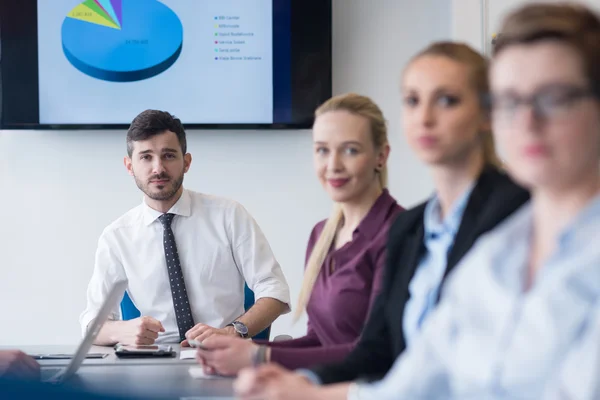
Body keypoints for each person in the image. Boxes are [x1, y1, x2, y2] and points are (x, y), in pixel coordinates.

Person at [234, 2, 600, 399]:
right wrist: (298, 384)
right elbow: (419, 372)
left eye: (554, 98)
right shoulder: (498, 252)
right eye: (510, 101)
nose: (527, 121)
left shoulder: (499, 220)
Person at [194, 93, 404, 375]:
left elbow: (378, 351)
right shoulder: (322, 234)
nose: (333, 165)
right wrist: (246, 350)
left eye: (350, 150)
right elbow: (320, 341)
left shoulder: (401, 232)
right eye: (322, 150)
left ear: (381, 156)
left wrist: (259, 358)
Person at [80, 110, 291, 346]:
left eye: (168, 156)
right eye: (146, 157)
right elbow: (91, 325)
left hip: (225, 352)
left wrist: (233, 332)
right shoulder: (117, 237)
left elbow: (276, 291)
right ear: (129, 166)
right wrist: (121, 331)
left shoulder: (229, 215)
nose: (158, 168)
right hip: (155, 362)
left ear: (186, 162)